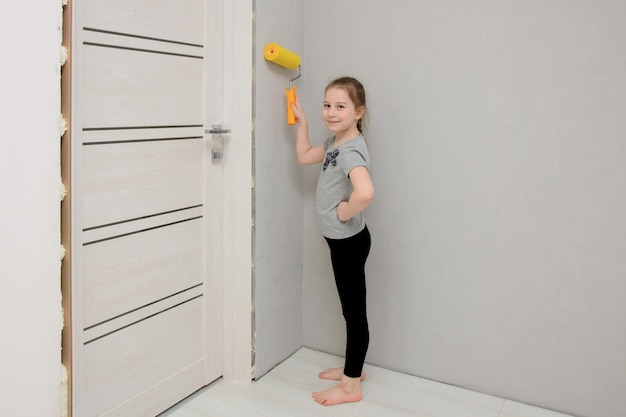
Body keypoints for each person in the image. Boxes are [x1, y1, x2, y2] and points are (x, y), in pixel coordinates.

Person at [290, 76, 374, 406]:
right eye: (327, 105)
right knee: (350, 311)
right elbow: (304, 156)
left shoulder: (351, 149)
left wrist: (346, 210)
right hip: (340, 242)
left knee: (354, 313)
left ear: (358, 112)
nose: (331, 112)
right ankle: (354, 369)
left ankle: (351, 386)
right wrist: (304, 123)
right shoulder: (335, 142)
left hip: (349, 242)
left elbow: (365, 191)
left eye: (340, 106)